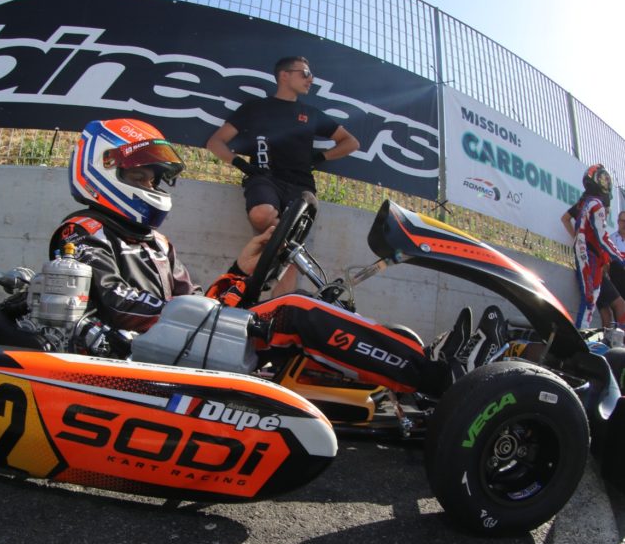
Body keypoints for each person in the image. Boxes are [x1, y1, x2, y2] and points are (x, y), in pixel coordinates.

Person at [51, 117, 499, 399]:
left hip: (179, 342)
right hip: (135, 356)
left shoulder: (159, 244)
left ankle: (414, 367)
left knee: (309, 308)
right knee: (294, 312)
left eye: (154, 178)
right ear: (103, 170)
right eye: (140, 176)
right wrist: (229, 316)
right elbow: (117, 303)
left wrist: (241, 272)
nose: (151, 186)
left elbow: (199, 305)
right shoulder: (83, 230)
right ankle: (442, 377)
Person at [206, 56, 360, 235]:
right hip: (265, 178)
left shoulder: (311, 114)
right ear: (284, 75)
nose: (310, 79)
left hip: (302, 185)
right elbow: (215, 142)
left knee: (290, 233)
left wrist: (320, 157)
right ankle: (285, 242)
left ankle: (281, 244)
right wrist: (241, 164)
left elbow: (351, 142)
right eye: (305, 73)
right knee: (262, 215)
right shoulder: (255, 108)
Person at [568, 164, 625, 329]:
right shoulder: (596, 204)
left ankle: (583, 335)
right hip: (589, 256)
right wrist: (620, 258)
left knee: (591, 300)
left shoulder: (587, 202)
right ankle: (581, 338)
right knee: (589, 300)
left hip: (589, 254)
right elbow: (603, 238)